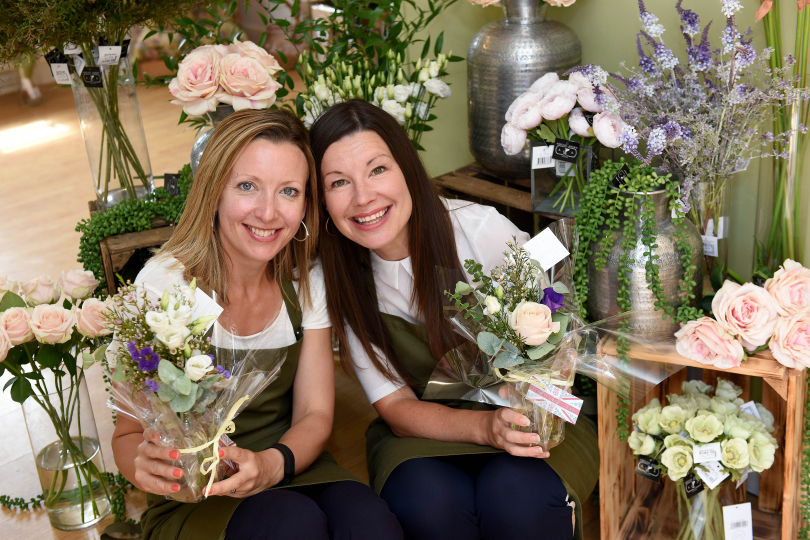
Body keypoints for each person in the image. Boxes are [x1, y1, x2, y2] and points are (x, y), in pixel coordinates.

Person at [309, 100, 599, 540]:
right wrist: (484, 427)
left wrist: (532, 404)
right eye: (338, 182)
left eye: (378, 170)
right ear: (321, 199)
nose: (363, 197)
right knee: (428, 506)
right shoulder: (340, 284)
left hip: (525, 413)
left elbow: (557, 314)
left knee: (518, 499)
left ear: (407, 167)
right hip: (426, 431)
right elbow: (398, 408)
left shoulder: (479, 230)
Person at [111, 109, 402, 540]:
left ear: (306, 203)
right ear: (214, 191)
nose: (268, 212)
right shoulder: (165, 287)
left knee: (373, 526)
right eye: (248, 186)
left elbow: (314, 413)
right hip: (196, 491)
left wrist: (271, 463)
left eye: (289, 191)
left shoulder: (306, 283)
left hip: (289, 461)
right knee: (293, 527)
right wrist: (147, 467)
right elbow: (127, 433)